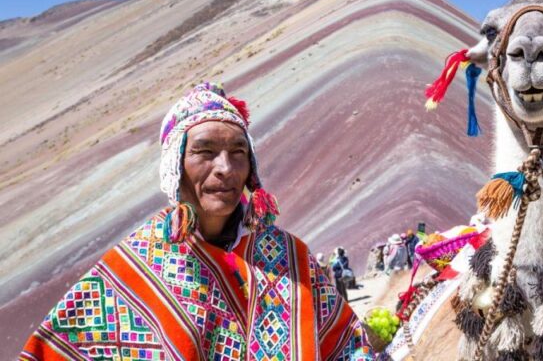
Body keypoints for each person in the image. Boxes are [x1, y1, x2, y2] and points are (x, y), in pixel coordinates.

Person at [20, 83, 372, 360]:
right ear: (176, 165)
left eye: (239, 153)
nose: (225, 168)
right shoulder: (136, 268)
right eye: (205, 152)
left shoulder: (290, 258)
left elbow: (346, 347)